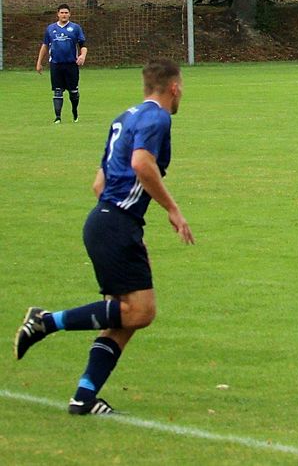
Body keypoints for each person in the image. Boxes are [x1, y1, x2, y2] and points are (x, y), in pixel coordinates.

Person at [14, 59, 195, 415]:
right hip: (114, 225)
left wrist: (127, 229)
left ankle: (83, 397)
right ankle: (46, 321)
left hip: (105, 221)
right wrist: (172, 210)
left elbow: (99, 183)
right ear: (173, 88)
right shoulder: (158, 118)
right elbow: (141, 164)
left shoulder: (123, 119)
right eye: (182, 88)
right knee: (140, 312)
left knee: (122, 317)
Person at [36, 4, 88, 124]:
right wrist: (39, 62)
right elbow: (45, 46)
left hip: (71, 64)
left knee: (73, 91)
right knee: (57, 91)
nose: (64, 15)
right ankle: (58, 117)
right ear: (58, 14)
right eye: (62, 13)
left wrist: (82, 55)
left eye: (66, 13)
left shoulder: (75, 28)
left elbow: (83, 45)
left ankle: (74, 111)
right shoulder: (50, 29)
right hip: (56, 64)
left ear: (69, 14)